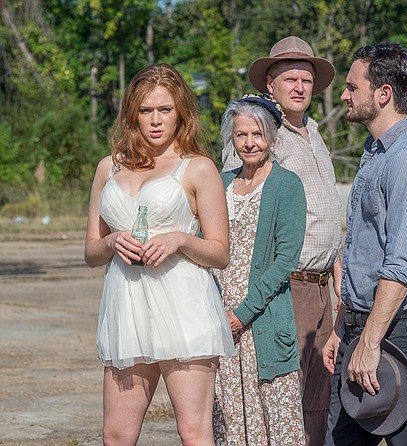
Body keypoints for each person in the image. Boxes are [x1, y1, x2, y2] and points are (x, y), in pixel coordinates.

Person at [84, 63, 235, 446]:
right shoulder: (108, 169)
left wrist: (179, 241)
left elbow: (220, 253)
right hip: (126, 308)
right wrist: (112, 241)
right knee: (116, 435)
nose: (155, 120)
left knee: (193, 432)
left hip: (184, 307)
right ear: (132, 113)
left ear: (180, 111)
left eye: (165, 110)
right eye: (146, 110)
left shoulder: (198, 168)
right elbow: (90, 251)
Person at [221, 35, 342, 445]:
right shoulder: (260, 135)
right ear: (269, 84)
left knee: (321, 394)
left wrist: (338, 276)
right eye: (289, 78)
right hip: (286, 284)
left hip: (324, 283)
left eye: (306, 80)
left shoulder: (313, 132)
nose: (299, 87)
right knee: (291, 391)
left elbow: (327, 213)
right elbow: (239, 211)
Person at [323, 42, 407, 445]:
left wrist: (370, 340)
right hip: (363, 331)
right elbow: (362, 250)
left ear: (383, 94)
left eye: (351, 87)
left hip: (398, 337)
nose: (344, 95)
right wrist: (344, 326)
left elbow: (401, 263)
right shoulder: (375, 154)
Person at [212, 93, 307, 445]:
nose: (250, 143)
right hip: (220, 323)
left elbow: (286, 260)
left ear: (272, 136)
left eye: (257, 134)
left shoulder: (287, 185)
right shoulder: (219, 183)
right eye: (241, 135)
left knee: (277, 426)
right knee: (230, 422)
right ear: (232, 138)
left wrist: (243, 313)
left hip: (260, 321)